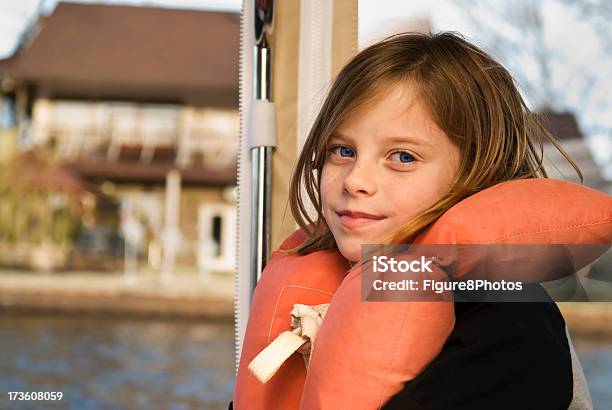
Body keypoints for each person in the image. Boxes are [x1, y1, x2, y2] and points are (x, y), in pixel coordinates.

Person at [232, 31, 592, 409]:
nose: (355, 181)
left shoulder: (513, 324)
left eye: (402, 157)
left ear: (478, 176)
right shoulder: (330, 282)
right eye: (342, 151)